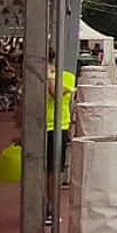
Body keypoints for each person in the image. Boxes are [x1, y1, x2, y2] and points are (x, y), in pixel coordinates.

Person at [46, 50, 76, 182]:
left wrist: (49, 76)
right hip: (37, 126)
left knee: (53, 169)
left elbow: (56, 93)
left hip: (57, 126)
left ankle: (51, 201)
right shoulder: (32, 77)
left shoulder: (66, 77)